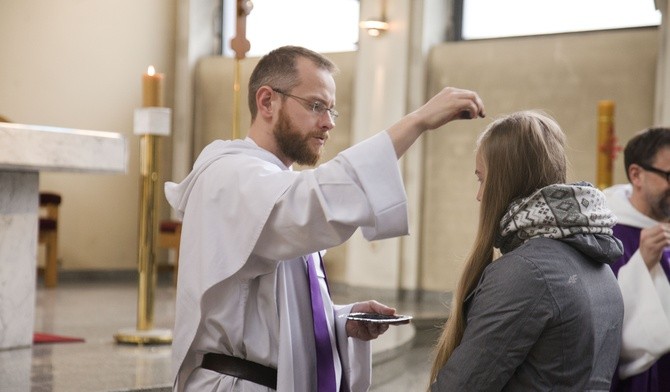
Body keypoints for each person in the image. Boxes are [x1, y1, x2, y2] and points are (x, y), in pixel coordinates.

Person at [164, 45, 485, 391]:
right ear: (267, 102)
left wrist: (341, 321)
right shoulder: (229, 176)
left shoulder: (274, 185)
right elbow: (314, 205)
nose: (328, 123)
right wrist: (417, 121)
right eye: (316, 106)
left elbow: (269, 315)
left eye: (332, 110)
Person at [428, 111, 625, 391]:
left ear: (505, 182)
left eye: (482, 180)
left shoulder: (526, 272)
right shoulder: (599, 262)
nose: (479, 195)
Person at [604, 127, 670, 392]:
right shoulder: (608, 234)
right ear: (636, 174)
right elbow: (601, 315)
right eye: (668, 175)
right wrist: (641, 264)